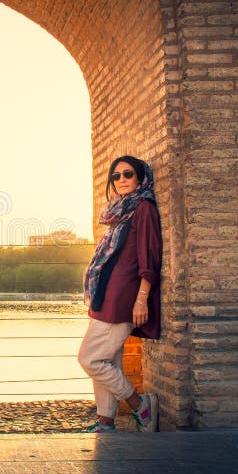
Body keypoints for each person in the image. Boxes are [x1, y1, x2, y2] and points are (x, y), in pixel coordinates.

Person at [78, 155, 162, 433]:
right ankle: (106, 420)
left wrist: (142, 298)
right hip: (105, 294)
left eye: (128, 174)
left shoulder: (143, 208)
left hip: (123, 296)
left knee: (90, 359)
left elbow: (149, 256)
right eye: (116, 176)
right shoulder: (119, 211)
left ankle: (139, 405)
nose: (122, 180)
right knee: (108, 358)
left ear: (140, 177)